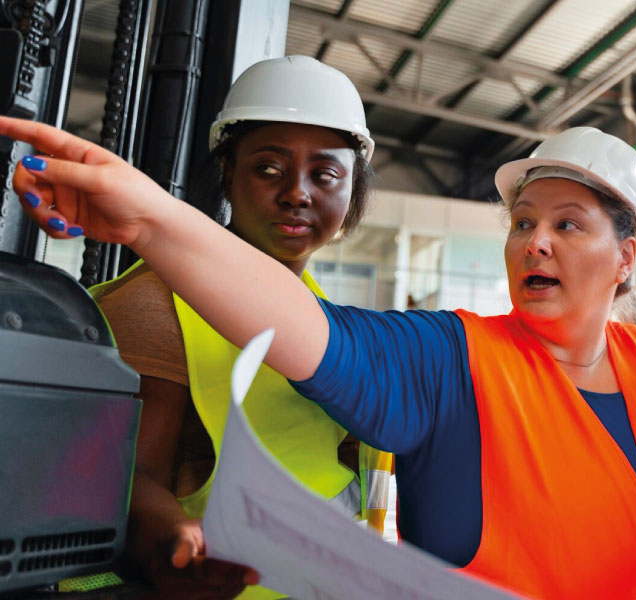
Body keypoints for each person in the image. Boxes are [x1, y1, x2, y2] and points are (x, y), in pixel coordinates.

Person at [2, 105, 636, 599]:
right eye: (524, 221)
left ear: (625, 257)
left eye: (569, 225)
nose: (535, 241)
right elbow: (309, 328)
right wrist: (151, 219)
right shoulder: (451, 360)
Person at [86, 56, 391, 600]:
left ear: (352, 191)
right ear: (228, 171)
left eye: (325, 175)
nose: (298, 192)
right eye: (269, 168)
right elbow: (126, 475)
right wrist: (173, 547)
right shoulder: (160, 302)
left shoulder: (325, 317)